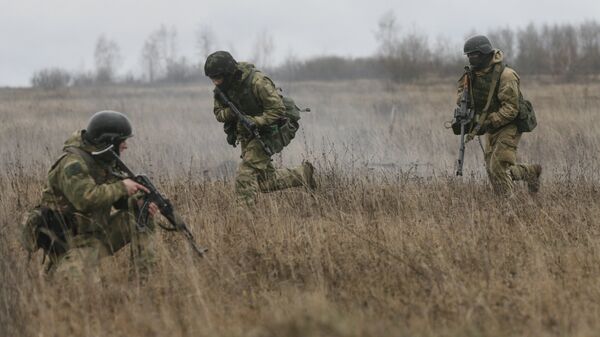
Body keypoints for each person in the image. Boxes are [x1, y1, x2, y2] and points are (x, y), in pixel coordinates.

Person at [20, 110, 158, 281]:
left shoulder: (105, 161)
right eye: (122, 141)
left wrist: (138, 202)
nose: (126, 145)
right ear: (109, 141)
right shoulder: (73, 164)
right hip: (71, 243)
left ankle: (144, 282)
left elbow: (116, 199)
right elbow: (85, 199)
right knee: (81, 292)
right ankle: (58, 270)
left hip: (95, 236)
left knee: (141, 216)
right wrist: (122, 187)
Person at [204, 51, 316, 206]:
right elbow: (218, 114)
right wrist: (232, 111)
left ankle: (243, 220)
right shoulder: (223, 89)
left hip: (276, 128)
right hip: (249, 133)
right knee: (266, 182)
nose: (215, 82)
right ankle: (303, 174)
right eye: (212, 79)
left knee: (245, 173)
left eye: (218, 77)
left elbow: (277, 110)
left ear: (228, 73)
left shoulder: (258, 82)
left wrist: (255, 121)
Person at [457, 35, 542, 196]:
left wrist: (489, 121)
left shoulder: (506, 75)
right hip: (491, 125)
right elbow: (460, 95)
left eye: (473, 55)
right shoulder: (471, 75)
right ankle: (530, 172)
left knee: (498, 166)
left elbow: (511, 108)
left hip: (510, 124)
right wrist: (463, 103)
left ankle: (507, 209)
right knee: (491, 168)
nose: (470, 59)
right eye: (468, 55)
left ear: (483, 53)